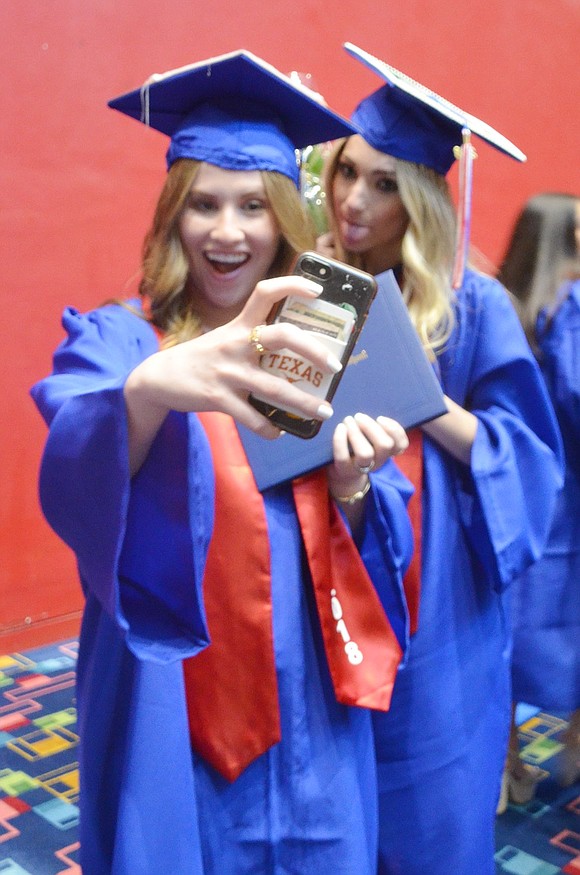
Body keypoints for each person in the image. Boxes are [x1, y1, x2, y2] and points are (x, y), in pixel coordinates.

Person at [30, 50, 416, 874]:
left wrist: (353, 488)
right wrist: (149, 391)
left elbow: (379, 529)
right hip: (172, 685)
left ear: (283, 219)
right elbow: (72, 473)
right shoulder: (123, 340)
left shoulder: (325, 343)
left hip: (308, 684)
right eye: (203, 204)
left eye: (252, 205)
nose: (228, 230)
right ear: (174, 214)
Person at [318, 43, 564, 875]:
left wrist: (427, 400)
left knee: (428, 787)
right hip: (325, 555)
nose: (355, 198)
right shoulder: (313, 279)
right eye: (348, 171)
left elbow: (525, 456)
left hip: (437, 584)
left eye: (384, 183)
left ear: (421, 198)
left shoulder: (472, 302)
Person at [497, 192, 580, 803]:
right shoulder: (572, 314)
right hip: (569, 508)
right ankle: (575, 746)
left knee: (502, 638)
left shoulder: (501, 307)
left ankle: (506, 764)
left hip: (513, 502)